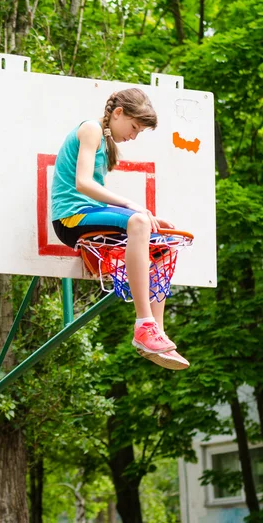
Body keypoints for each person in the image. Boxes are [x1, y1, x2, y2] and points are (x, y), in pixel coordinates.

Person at [51, 88, 189, 370]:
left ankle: (157, 332)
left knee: (159, 243)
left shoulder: (105, 140)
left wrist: (144, 217)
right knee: (138, 221)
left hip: (89, 214)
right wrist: (132, 207)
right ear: (118, 113)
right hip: (71, 218)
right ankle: (144, 323)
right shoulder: (90, 128)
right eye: (134, 127)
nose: (134, 135)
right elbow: (83, 184)